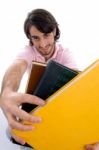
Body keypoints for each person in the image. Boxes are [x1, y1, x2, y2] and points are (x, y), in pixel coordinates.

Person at [0, 8, 97, 149]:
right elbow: (17, 67)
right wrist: (7, 91)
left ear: (55, 32)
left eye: (46, 35)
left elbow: (77, 85)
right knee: (15, 135)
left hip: (60, 111)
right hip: (35, 110)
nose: (42, 44)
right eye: (36, 38)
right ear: (30, 37)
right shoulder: (28, 51)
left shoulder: (65, 53)